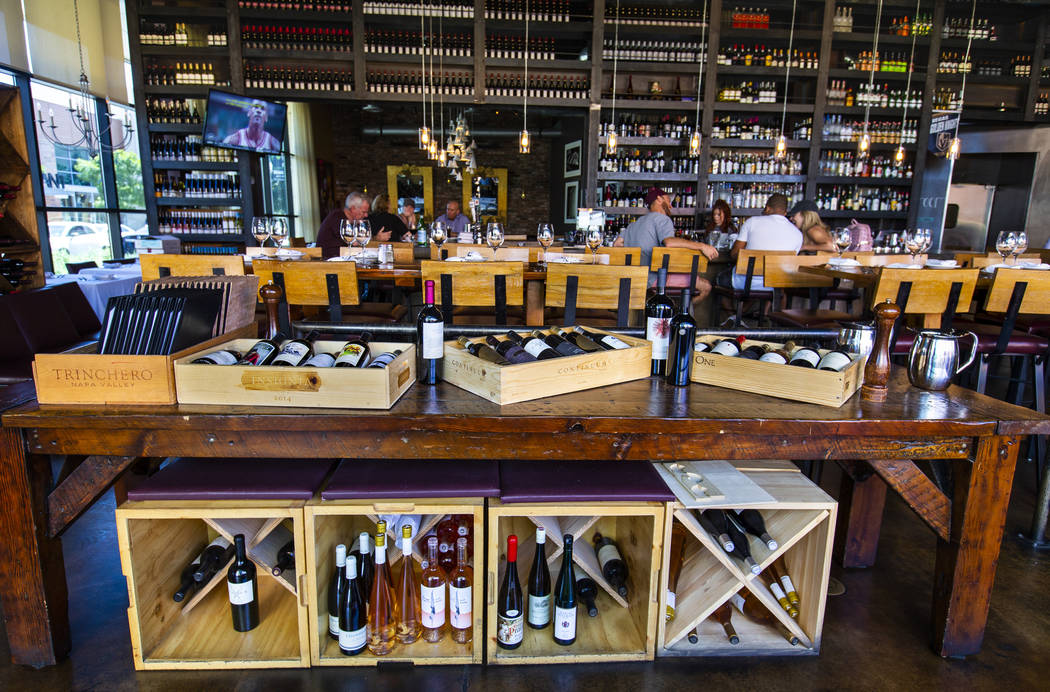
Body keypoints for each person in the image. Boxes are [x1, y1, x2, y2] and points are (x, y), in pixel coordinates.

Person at [614, 187, 719, 309]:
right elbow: (669, 242)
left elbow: (617, 244)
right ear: (659, 199)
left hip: (636, 279)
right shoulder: (662, 219)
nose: (671, 205)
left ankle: (671, 313)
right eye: (669, 200)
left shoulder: (635, 224)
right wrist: (702, 246)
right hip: (655, 279)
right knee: (706, 287)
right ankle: (677, 314)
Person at [728, 193, 803, 290]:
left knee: (718, 279)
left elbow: (734, 254)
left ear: (767, 208)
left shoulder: (751, 222)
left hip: (745, 281)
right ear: (785, 213)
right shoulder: (798, 234)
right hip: (776, 285)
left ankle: (731, 306)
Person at [315, 191, 375, 259]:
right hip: (328, 262)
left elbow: (360, 240)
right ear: (353, 209)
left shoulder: (354, 221)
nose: (366, 215)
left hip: (344, 258)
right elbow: (354, 242)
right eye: (364, 212)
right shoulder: (337, 217)